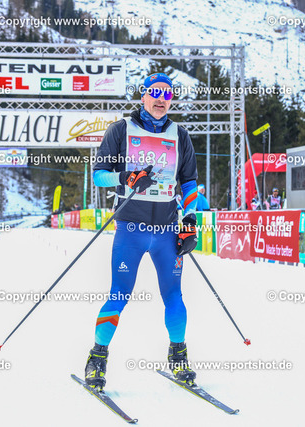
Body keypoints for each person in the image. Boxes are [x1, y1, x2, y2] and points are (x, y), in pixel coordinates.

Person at [84, 72, 199, 390]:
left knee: (174, 296)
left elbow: (189, 182)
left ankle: (179, 358)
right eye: (155, 93)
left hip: (166, 231)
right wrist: (126, 177)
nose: (161, 99)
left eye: (167, 94)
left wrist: (190, 220)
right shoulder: (121, 129)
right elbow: (99, 176)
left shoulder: (180, 135)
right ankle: (97, 359)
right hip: (130, 230)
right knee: (118, 295)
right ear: (143, 95)